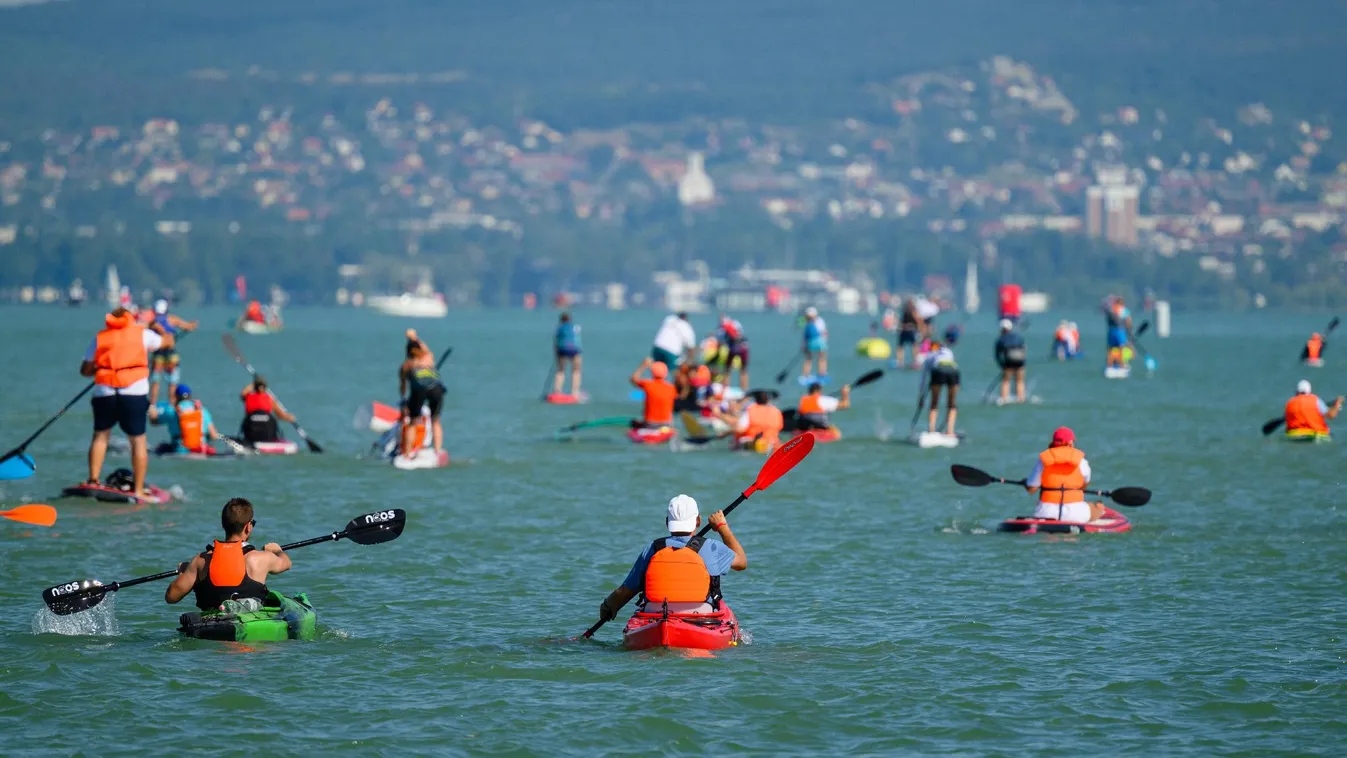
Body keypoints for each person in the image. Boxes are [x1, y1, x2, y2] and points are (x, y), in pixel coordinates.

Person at [596, 494, 746, 624]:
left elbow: (624, 592)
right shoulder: (711, 547)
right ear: (698, 521)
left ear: (667, 522)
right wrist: (722, 526)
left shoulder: (653, 549)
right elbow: (741, 562)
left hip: (655, 616)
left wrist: (608, 606)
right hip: (700, 616)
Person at [81, 306, 172, 499]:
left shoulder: (101, 337)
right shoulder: (142, 334)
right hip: (133, 392)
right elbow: (166, 342)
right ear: (130, 319)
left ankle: (93, 480)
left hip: (105, 391)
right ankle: (138, 490)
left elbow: (85, 370)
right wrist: (159, 328)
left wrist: (103, 367)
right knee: (137, 440)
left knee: (100, 436)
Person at [166, 497, 292, 610]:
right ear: (248, 526)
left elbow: (171, 597)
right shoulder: (260, 558)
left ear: (223, 524)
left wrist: (184, 571)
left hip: (211, 627)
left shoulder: (200, 561)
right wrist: (277, 550)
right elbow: (286, 563)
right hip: (248, 626)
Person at [1025, 427, 1104, 524]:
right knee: (1094, 508)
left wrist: (1027, 483)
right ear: (1070, 443)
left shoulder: (1043, 461)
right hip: (1075, 514)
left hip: (1046, 514)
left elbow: (1032, 489)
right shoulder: (1081, 462)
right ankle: (1100, 508)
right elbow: (1083, 487)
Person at [400, 330, 446, 457]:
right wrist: (414, 337)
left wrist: (404, 402)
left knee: (413, 423)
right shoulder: (428, 359)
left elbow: (403, 388)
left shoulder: (405, 366)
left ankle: (407, 455)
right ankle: (437, 452)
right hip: (436, 388)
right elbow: (425, 348)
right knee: (435, 421)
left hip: (418, 390)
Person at [147, 299, 198, 405]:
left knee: (155, 382)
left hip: (158, 355)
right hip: (171, 354)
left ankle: (152, 405)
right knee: (172, 383)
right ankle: (172, 404)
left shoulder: (152, 323)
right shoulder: (172, 319)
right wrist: (193, 324)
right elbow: (188, 326)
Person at [149, 384, 224, 455]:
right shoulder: (202, 410)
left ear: (176, 397)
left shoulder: (171, 411)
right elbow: (213, 435)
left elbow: (154, 422)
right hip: (201, 450)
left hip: (180, 451)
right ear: (190, 396)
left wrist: (151, 409)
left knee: (162, 447)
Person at [239, 376, 296, 444]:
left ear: (254, 387)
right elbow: (281, 416)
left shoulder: (248, 397)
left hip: (251, 435)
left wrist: (254, 383)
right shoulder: (270, 399)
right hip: (268, 436)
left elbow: (243, 392)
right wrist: (291, 418)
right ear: (265, 388)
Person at [920, 339, 959, 435]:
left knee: (934, 403)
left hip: (939, 370)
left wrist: (921, 397)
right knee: (952, 404)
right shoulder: (948, 351)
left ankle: (931, 430)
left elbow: (924, 378)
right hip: (953, 371)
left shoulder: (929, 356)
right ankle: (950, 431)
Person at [630, 358, 676, 428]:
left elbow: (633, 379)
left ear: (652, 372)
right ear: (665, 374)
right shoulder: (672, 388)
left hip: (650, 423)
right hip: (667, 424)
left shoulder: (647, 384)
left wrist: (643, 366)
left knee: (633, 422)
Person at [994, 319, 1028, 404]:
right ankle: (1021, 398)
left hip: (1008, 362)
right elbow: (1024, 349)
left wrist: (1002, 365)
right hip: (1020, 361)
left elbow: (997, 355)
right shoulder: (1018, 337)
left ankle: (1004, 399)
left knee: (1006, 381)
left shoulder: (1000, 339)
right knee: (1020, 381)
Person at [715, 314, 750, 391]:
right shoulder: (736, 323)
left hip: (732, 348)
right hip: (744, 347)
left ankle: (726, 389)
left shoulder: (720, 329)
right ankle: (744, 389)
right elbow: (741, 333)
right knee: (743, 370)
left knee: (727, 370)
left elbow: (721, 343)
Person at [552, 312, 583, 397]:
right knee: (576, 370)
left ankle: (557, 391)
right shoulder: (575, 328)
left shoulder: (559, 328)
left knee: (560, 370)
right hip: (575, 350)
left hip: (562, 350)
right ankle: (575, 392)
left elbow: (556, 342)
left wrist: (556, 354)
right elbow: (578, 341)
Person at [895, 299, 927, 370]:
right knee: (904, 346)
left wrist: (921, 330)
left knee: (911, 346)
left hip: (909, 331)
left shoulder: (912, 312)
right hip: (906, 330)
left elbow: (919, 321)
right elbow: (919, 321)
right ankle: (901, 362)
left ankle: (912, 362)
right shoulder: (908, 311)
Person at [1104, 296, 1134, 369]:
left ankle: (1109, 365)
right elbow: (1128, 322)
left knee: (1110, 348)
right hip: (1119, 331)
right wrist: (1129, 333)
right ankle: (1122, 365)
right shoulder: (1124, 310)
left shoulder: (1111, 309)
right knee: (1122, 348)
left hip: (1111, 331)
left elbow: (1108, 320)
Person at [801, 307, 829, 379]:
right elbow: (824, 332)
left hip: (811, 342)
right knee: (822, 358)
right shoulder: (820, 321)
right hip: (820, 341)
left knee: (809, 358)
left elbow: (805, 337)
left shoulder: (807, 323)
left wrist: (803, 346)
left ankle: (805, 375)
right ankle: (822, 374)